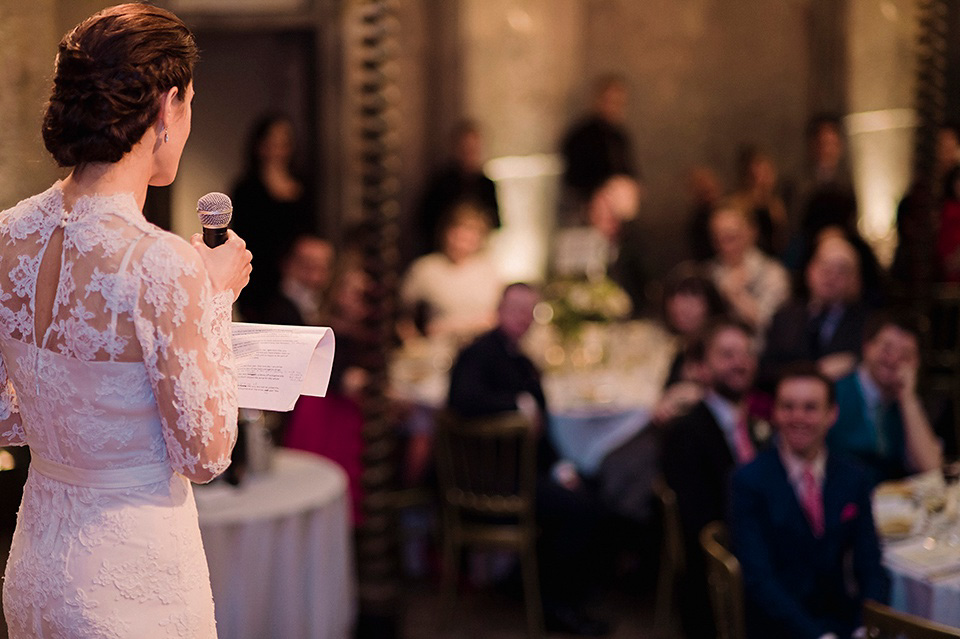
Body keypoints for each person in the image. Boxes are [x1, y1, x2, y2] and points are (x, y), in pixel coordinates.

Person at [0, 5, 252, 637]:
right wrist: (212, 296)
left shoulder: (8, 235)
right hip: (132, 576)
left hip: (35, 567)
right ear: (167, 107)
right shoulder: (160, 263)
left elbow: (6, 419)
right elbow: (206, 453)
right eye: (189, 103)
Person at [448, 283, 610, 636]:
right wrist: (516, 404)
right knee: (577, 509)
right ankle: (556, 606)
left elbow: (543, 428)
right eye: (515, 308)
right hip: (491, 482)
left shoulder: (522, 361)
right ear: (499, 309)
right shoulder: (478, 353)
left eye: (529, 310)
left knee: (593, 486)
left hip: (522, 473)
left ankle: (535, 584)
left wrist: (560, 466)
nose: (522, 317)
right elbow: (462, 400)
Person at [730, 365, 889, 639]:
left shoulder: (853, 476)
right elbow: (759, 580)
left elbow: (870, 562)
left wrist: (867, 626)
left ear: (832, 414)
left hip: (841, 620)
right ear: (775, 413)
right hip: (778, 626)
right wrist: (817, 636)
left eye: (810, 407)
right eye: (788, 407)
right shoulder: (748, 481)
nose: (798, 417)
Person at [660, 317, 773, 639]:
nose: (739, 363)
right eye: (727, 355)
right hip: (720, 572)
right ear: (701, 368)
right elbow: (701, 522)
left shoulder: (759, 423)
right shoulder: (687, 432)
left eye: (745, 354)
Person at [827, 313, 942, 485]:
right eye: (887, 349)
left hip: (894, 506)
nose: (894, 359)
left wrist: (908, 398)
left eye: (905, 354)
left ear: (916, 362)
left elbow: (931, 469)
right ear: (867, 347)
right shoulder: (835, 391)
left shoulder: (910, 404)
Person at [231, 114, 314, 322]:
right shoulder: (246, 188)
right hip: (260, 280)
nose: (277, 149)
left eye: (283, 143)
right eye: (271, 142)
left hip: (298, 277)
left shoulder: (303, 184)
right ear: (259, 145)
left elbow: (309, 233)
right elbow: (244, 238)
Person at [760, 232, 868, 389]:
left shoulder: (865, 324)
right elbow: (764, 371)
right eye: (824, 267)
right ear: (810, 270)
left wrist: (855, 363)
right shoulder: (785, 316)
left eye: (841, 270)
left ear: (855, 280)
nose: (831, 276)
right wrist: (816, 373)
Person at [400, 202, 503, 341]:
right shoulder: (426, 269)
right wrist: (413, 344)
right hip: (438, 352)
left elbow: (499, 315)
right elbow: (402, 315)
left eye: (469, 233)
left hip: (481, 350)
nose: (461, 241)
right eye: (457, 232)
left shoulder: (488, 269)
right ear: (445, 232)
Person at [559, 74, 640, 226]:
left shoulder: (619, 136)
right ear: (598, 100)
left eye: (618, 102)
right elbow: (573, 176)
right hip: (586, 210)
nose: (613, 107)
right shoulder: (581, 135)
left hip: (617, 213)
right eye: (609, 101)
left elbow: (629, 170)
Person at [415, 119, 500, 258]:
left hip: (476, 257)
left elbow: (495, 223)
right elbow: (424, 223)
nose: (469, 154)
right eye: (465, 148)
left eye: (473, 149)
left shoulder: (486, 185)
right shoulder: (440, 183)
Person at [706, 202, 791, 332]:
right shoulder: (709, 273)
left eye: (731, 237)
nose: (724, 246)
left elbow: (770, 323)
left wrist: (735, 294)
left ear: (751, 232)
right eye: (717, 239)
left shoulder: (773, 272)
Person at [260, 233, 335, 327]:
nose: (314, 278)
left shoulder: (330, 311)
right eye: (306, 267)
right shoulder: (276, 315)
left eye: (321, 268)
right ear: (286, 265)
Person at [730, 145, 788, 255]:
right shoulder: (737, 202)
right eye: (761, 172)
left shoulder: (775, 203)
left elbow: (781, 240)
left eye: (768, 171)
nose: (765, 177)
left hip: (771, 258)